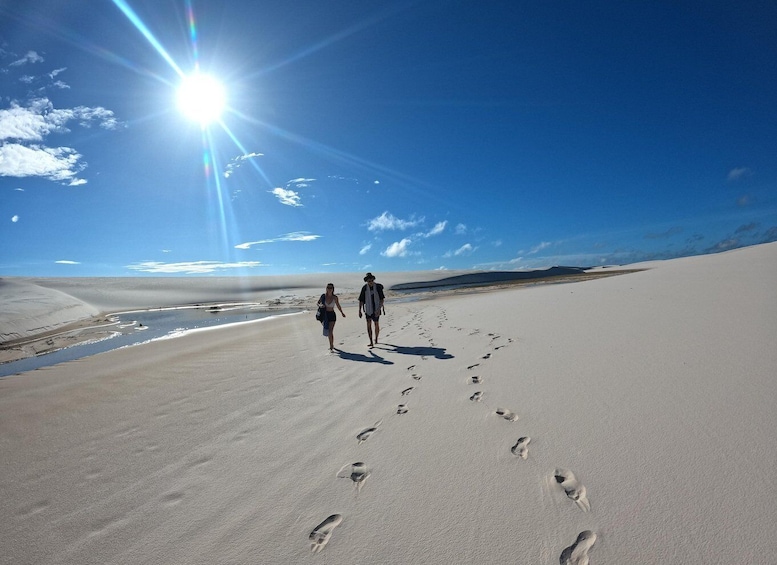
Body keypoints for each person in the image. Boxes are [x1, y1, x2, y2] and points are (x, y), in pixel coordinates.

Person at [358, 272, 384, 347]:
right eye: (369, 281)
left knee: (376, 324)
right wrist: (359, 310)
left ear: (373, 280)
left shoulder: (378, 287)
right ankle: (371, 341)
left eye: (371, 280)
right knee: (368, 324)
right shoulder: (364, 288)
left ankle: (376, 339)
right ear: (367, 281)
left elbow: (382, 299)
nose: (370, 282)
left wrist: (379, 309)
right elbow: (361, 300)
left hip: (376, 308)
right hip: (368, 309)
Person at [318, 283, 345, 352]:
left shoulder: (335, 297)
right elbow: (318, 303)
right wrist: (321, 305)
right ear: (326, 288)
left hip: (332, 315)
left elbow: (338, 305)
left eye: (331, 288)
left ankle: (331, 346)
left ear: (333, 289)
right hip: (325, 315)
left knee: (330, 331)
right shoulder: (323, 296)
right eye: (328, 287)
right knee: (327, 330)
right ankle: (331, 344)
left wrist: (342, 312)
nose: (329, 289)